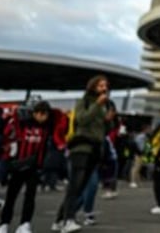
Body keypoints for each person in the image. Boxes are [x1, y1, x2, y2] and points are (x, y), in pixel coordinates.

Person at [53, 75, 110, 233]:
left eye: (105, 86)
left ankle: (59, 219)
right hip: (81, 148)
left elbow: (105, 128)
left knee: (80, 186)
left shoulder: (105, 105)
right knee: (75, 185)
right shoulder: (83, 102)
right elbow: (82, 119)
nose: (103, 88)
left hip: (95, 148)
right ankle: (68, 221)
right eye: (100, 85)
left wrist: (109, 119)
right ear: (93, 87)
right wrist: (97, 106)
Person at [0, 101, 55, 233]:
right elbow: (10, 126)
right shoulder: (23, 124)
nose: (43, 116)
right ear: (34, 113)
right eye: (40, 113)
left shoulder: (46, 128)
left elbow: (44, 148)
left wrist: (41, 165)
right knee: (11, 196)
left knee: (30, 196)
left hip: (33, 167)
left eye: (45, 114)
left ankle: (25, 224)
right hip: (18, 165)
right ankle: (4, 224)